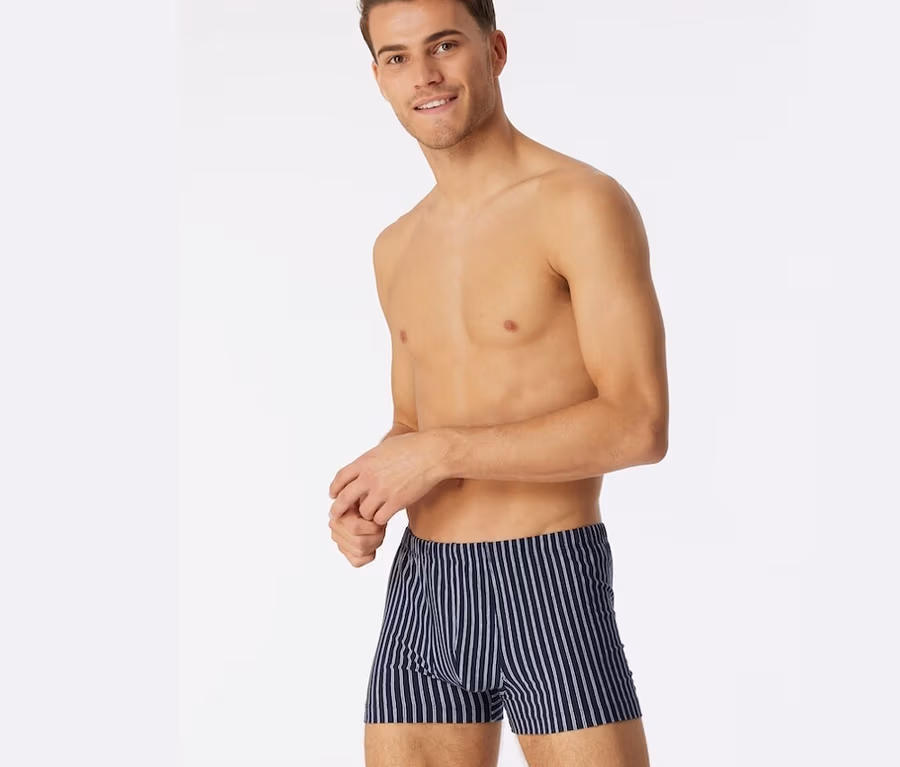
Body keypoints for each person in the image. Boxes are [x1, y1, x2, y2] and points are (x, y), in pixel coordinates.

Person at [327, 1, 668, 764]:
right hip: (422, 587)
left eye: (444, 45)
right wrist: (372, 494)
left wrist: (438, 453)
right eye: (397, 57)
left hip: (544, 575)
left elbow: (638, 424)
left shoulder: (579, 204)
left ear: (496, 50)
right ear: (379, 78)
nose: (424, 74)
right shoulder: (395, 246)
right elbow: (411, 425)